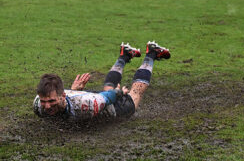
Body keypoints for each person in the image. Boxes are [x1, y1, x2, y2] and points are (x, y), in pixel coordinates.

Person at [33, 41, 170, 120]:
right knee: (106, 91)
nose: (47, 106)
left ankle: (151, 54)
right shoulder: (38, 106)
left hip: (109, 109)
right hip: (91, 100)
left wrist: (119, 93)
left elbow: (107, 97)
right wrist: (73, 92)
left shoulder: (88, 104)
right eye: (44, 101)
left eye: (51, 101)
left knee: (135, 94)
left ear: (62, 96)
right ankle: (125, 55)